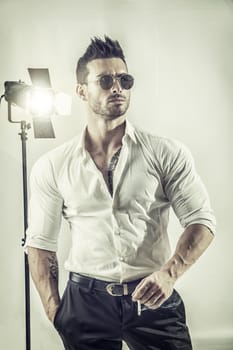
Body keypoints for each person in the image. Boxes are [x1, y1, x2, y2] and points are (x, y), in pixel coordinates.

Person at [25, 36, 216, 350]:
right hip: (84, 301)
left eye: (124, 80)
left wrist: (169, 274)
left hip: (153, 295)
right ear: (81, 91)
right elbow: (40, 245)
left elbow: (202, 221)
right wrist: (55, 311)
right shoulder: (53, 165)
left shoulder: (166, 152)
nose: (117, 87)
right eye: (105, 80)